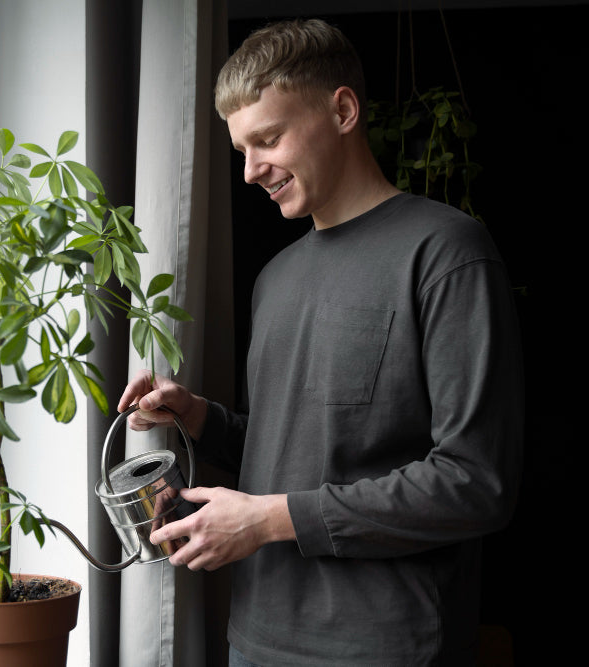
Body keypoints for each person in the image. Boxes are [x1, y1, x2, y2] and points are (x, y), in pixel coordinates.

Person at [118, 18, 523, 666]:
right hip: (253, 637)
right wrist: (197, 416)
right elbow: (290, 454)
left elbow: (476, 481)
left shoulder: (445, 253)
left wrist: (268, 519)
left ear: (341, 110)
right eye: (241, 150)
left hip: (387, 646)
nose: (250, 171)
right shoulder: (275, 278)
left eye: (267, 139)